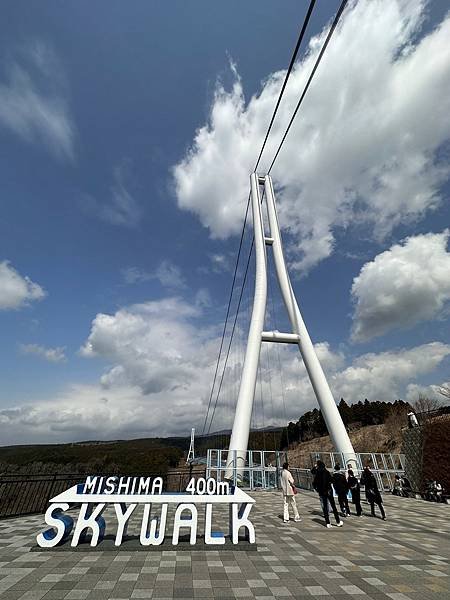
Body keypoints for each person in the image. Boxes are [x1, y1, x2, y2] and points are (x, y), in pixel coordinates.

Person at [313, 460, 343, 528]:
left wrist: (317, 489)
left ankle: (328, 523)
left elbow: (314, 482)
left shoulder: (317, 473)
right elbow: (332, 480)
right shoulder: (326, 472)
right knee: (333, 506)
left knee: (325, 507)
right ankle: (338, 521)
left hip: (322, 492)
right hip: (329, 491)